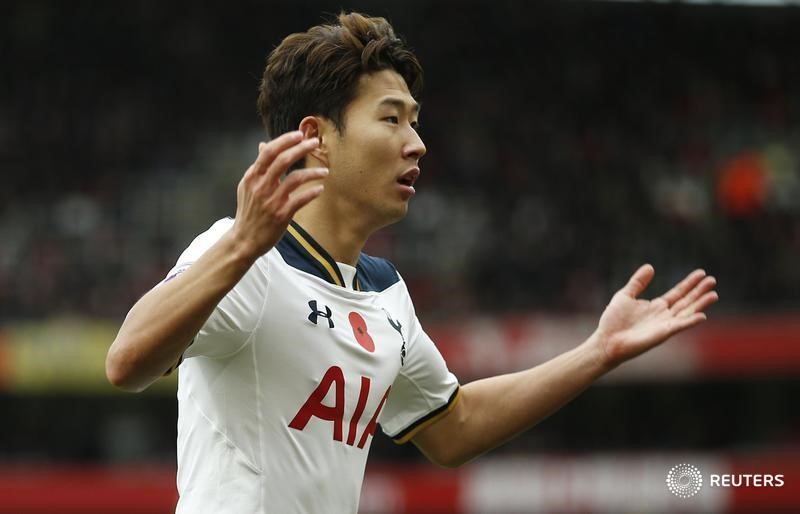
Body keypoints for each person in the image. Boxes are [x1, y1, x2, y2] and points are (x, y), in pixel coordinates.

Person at [105, 11, 718, 514]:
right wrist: (242, 244)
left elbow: (453, 428)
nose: (416, 142)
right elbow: (127, 363)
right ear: (317, 136)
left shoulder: (384, 292)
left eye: (415, 121)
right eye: (391, 118)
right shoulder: (245, 256)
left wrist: (598, 352)